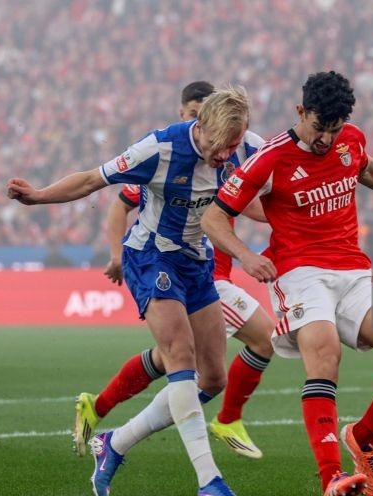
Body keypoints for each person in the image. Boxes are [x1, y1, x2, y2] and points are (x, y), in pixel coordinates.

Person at [202, 71, 373, 496]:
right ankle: (332, 479)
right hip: (299, 272)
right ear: (301, 111)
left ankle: (363, 438)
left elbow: (364, 166)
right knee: (325, 354)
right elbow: (213, 217)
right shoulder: (269, 158)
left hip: (353, 270)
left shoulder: (349, 140)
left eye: (334, 129)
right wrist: (244, 255)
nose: (326, 139)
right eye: (319, 127)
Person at [7, 85, 257, 496]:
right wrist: (39, 196)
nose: (226, 154)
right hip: (151, 257)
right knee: (180, 355)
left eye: (234, 144)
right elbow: (92, 179)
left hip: (197, 262)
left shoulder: (247, 147)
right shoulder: (159, 148)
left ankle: (115, 443)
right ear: (202, 125)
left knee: (214, 378)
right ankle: (209, 481)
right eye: (221, 144)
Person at [73, 81, 274, 462]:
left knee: (175, 359)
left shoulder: (233, 157)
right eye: (193, 116)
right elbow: (120, 202)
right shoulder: (166, 160)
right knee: (260, 339)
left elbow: (251, 205)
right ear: (186, 117)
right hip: (195, 273)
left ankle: (99, 409)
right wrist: (116, 254)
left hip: (205, 271)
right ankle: (227, 420)